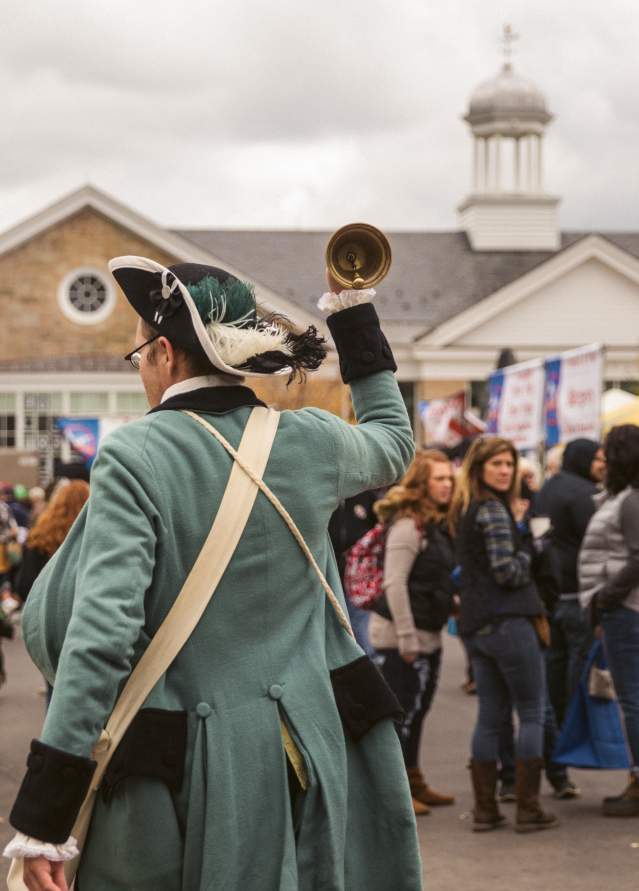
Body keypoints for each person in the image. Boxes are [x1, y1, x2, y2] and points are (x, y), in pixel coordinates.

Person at [4, 257, 421, 891]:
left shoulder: (136, 452)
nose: (140, 365)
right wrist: (354, 315)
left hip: (198, 765)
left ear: (165, 353)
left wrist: (46, 812)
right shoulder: (311, 438)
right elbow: (393, 438)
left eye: (138, 352)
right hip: (315, 748)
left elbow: (102, 635)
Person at [451, 436, 557, 833]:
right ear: (479, 468)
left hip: (478, 626)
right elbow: (508, 571)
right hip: (510, 623)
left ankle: (485, 810)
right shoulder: (494, 510)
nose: (504, 470)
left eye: (509, 464)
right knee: (530, 713)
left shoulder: (467, 510)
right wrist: (533, 545)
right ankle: (527, 809)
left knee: (491, 718)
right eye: (496, 463)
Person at [369, 450, 456, 816]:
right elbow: (395, 583)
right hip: (401, 637)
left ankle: (414, 778)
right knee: (402, 716)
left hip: (427, 634)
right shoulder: (408, 525)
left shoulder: (433, 523)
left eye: (450, 478)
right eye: (439, 478)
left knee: (418, 713)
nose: (447, 485)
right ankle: (399, 791)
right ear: (421, 483)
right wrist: (406, 638)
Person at [579, 424, 639, 816]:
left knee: (633, 701)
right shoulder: (623, 498)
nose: (600, 461)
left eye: (606, 453)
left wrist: (604, 599)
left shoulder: (632, 500)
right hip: (626, 609)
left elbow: (637, 557)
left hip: (627, 611)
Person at [536, 438, 605, 726]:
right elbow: (598, 543)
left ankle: (555, 719)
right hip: (578, 592)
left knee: (554, 660)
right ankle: (574, 723)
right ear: (584, 459)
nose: (602, 465)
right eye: (598, 458)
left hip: (551, 592)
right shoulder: (586, 494)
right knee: (579, 659)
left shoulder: (547, 487)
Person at [329, 489, 382, 656]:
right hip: (330, 573)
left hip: (360, 578)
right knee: (337, 628)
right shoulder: (327, 497)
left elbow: (377, 532)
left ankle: (367, 664)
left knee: (360, 626)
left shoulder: (365, 497)